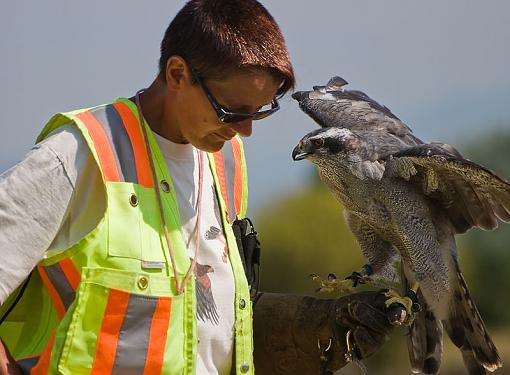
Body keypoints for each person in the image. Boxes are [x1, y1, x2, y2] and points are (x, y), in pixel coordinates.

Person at [0, 1, 407, 374]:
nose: (244, 131)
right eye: (233, 112)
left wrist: (310, 326)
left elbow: (201, 321)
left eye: (260, 113)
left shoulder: (226, 163)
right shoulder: (79, 155)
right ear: (177, 74)